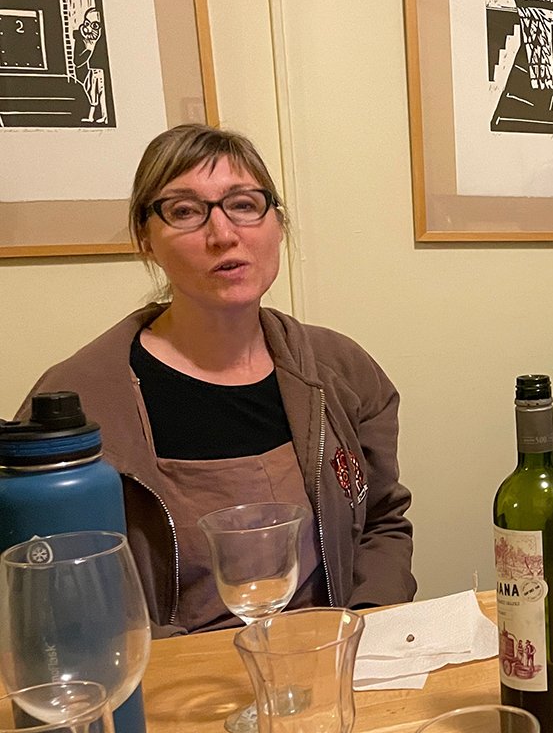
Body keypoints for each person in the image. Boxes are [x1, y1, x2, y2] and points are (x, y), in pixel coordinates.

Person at [18, 124, 415, 632]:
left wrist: (368, 630)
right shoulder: (80, 400)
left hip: (330, 660)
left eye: (244, 205)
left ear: (277, 223)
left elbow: (382, 522)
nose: (223, 234)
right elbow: (53, 596)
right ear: (146, 240)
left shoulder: (340, 369)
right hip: (170, 685)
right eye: (184, 211)